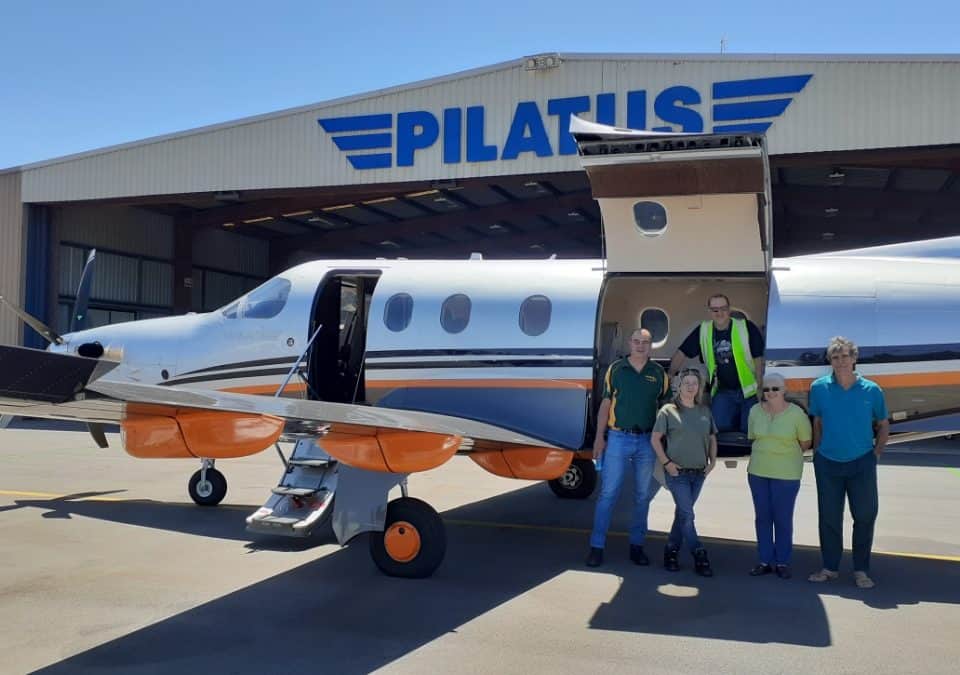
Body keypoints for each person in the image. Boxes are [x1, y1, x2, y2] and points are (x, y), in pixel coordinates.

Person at [807, 336, 889, 589]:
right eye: (835, 357)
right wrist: (818, 451)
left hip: (861, 462)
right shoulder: (819, 388)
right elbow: (817, 422)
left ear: (854, 358)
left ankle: (861, 570)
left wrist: (875, 453)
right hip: (828, 463)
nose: (841, 361)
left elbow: (883, 424)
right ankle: (830, 568)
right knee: (829, 517)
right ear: (830, 361)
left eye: (845, 356)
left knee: (865, 515)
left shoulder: (872, 390)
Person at [586, 328, 669, 568]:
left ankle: (637, 546)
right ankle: (597, 547)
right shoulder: (616, 369)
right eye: (636, 341)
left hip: (646, 441)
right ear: (629, 343)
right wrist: (599, 437)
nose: (640, 346)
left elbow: (665, 408)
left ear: (651, 346)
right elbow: (605, 404)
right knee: (608, 494)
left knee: (642, 496)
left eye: (645, 342)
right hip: (618, 438)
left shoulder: (658, 374)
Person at [651, 368, 718, 576]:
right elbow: (655, 439)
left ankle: (670, 552)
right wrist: (667, 463)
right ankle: (699, 554)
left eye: (694, 383)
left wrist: (713, 462)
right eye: (686, 383)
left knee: (682, 514)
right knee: (688, 515)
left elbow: (712, 438)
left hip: (699, 474)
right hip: (677, 474)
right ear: (679, 386)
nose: (691, 386)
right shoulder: (668, 411)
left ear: (699, 388)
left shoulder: (704, 411)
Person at [746, 372, 812, 579]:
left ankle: (782, 562)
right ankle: (765, 560)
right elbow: (752, 437)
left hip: (786, 474)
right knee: (762, 518)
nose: (770, 392)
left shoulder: (797, 414)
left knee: (782, 519)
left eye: (775, 388)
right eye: (766, 389)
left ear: (784, 390)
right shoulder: (755, 411)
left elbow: (805, 442)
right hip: (757, 472)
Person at [670, 293, 764, 433]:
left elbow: (758, 359)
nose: (719, 313)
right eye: (715, 310)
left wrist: (760, 387)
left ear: (729, 309)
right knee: (719, 427)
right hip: (722, 391)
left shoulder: (746, 327)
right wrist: (670, 374)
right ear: (709, 311)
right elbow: (682, 352)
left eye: (723, 308)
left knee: (750, 430)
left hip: (749, 391)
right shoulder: (703, 330)